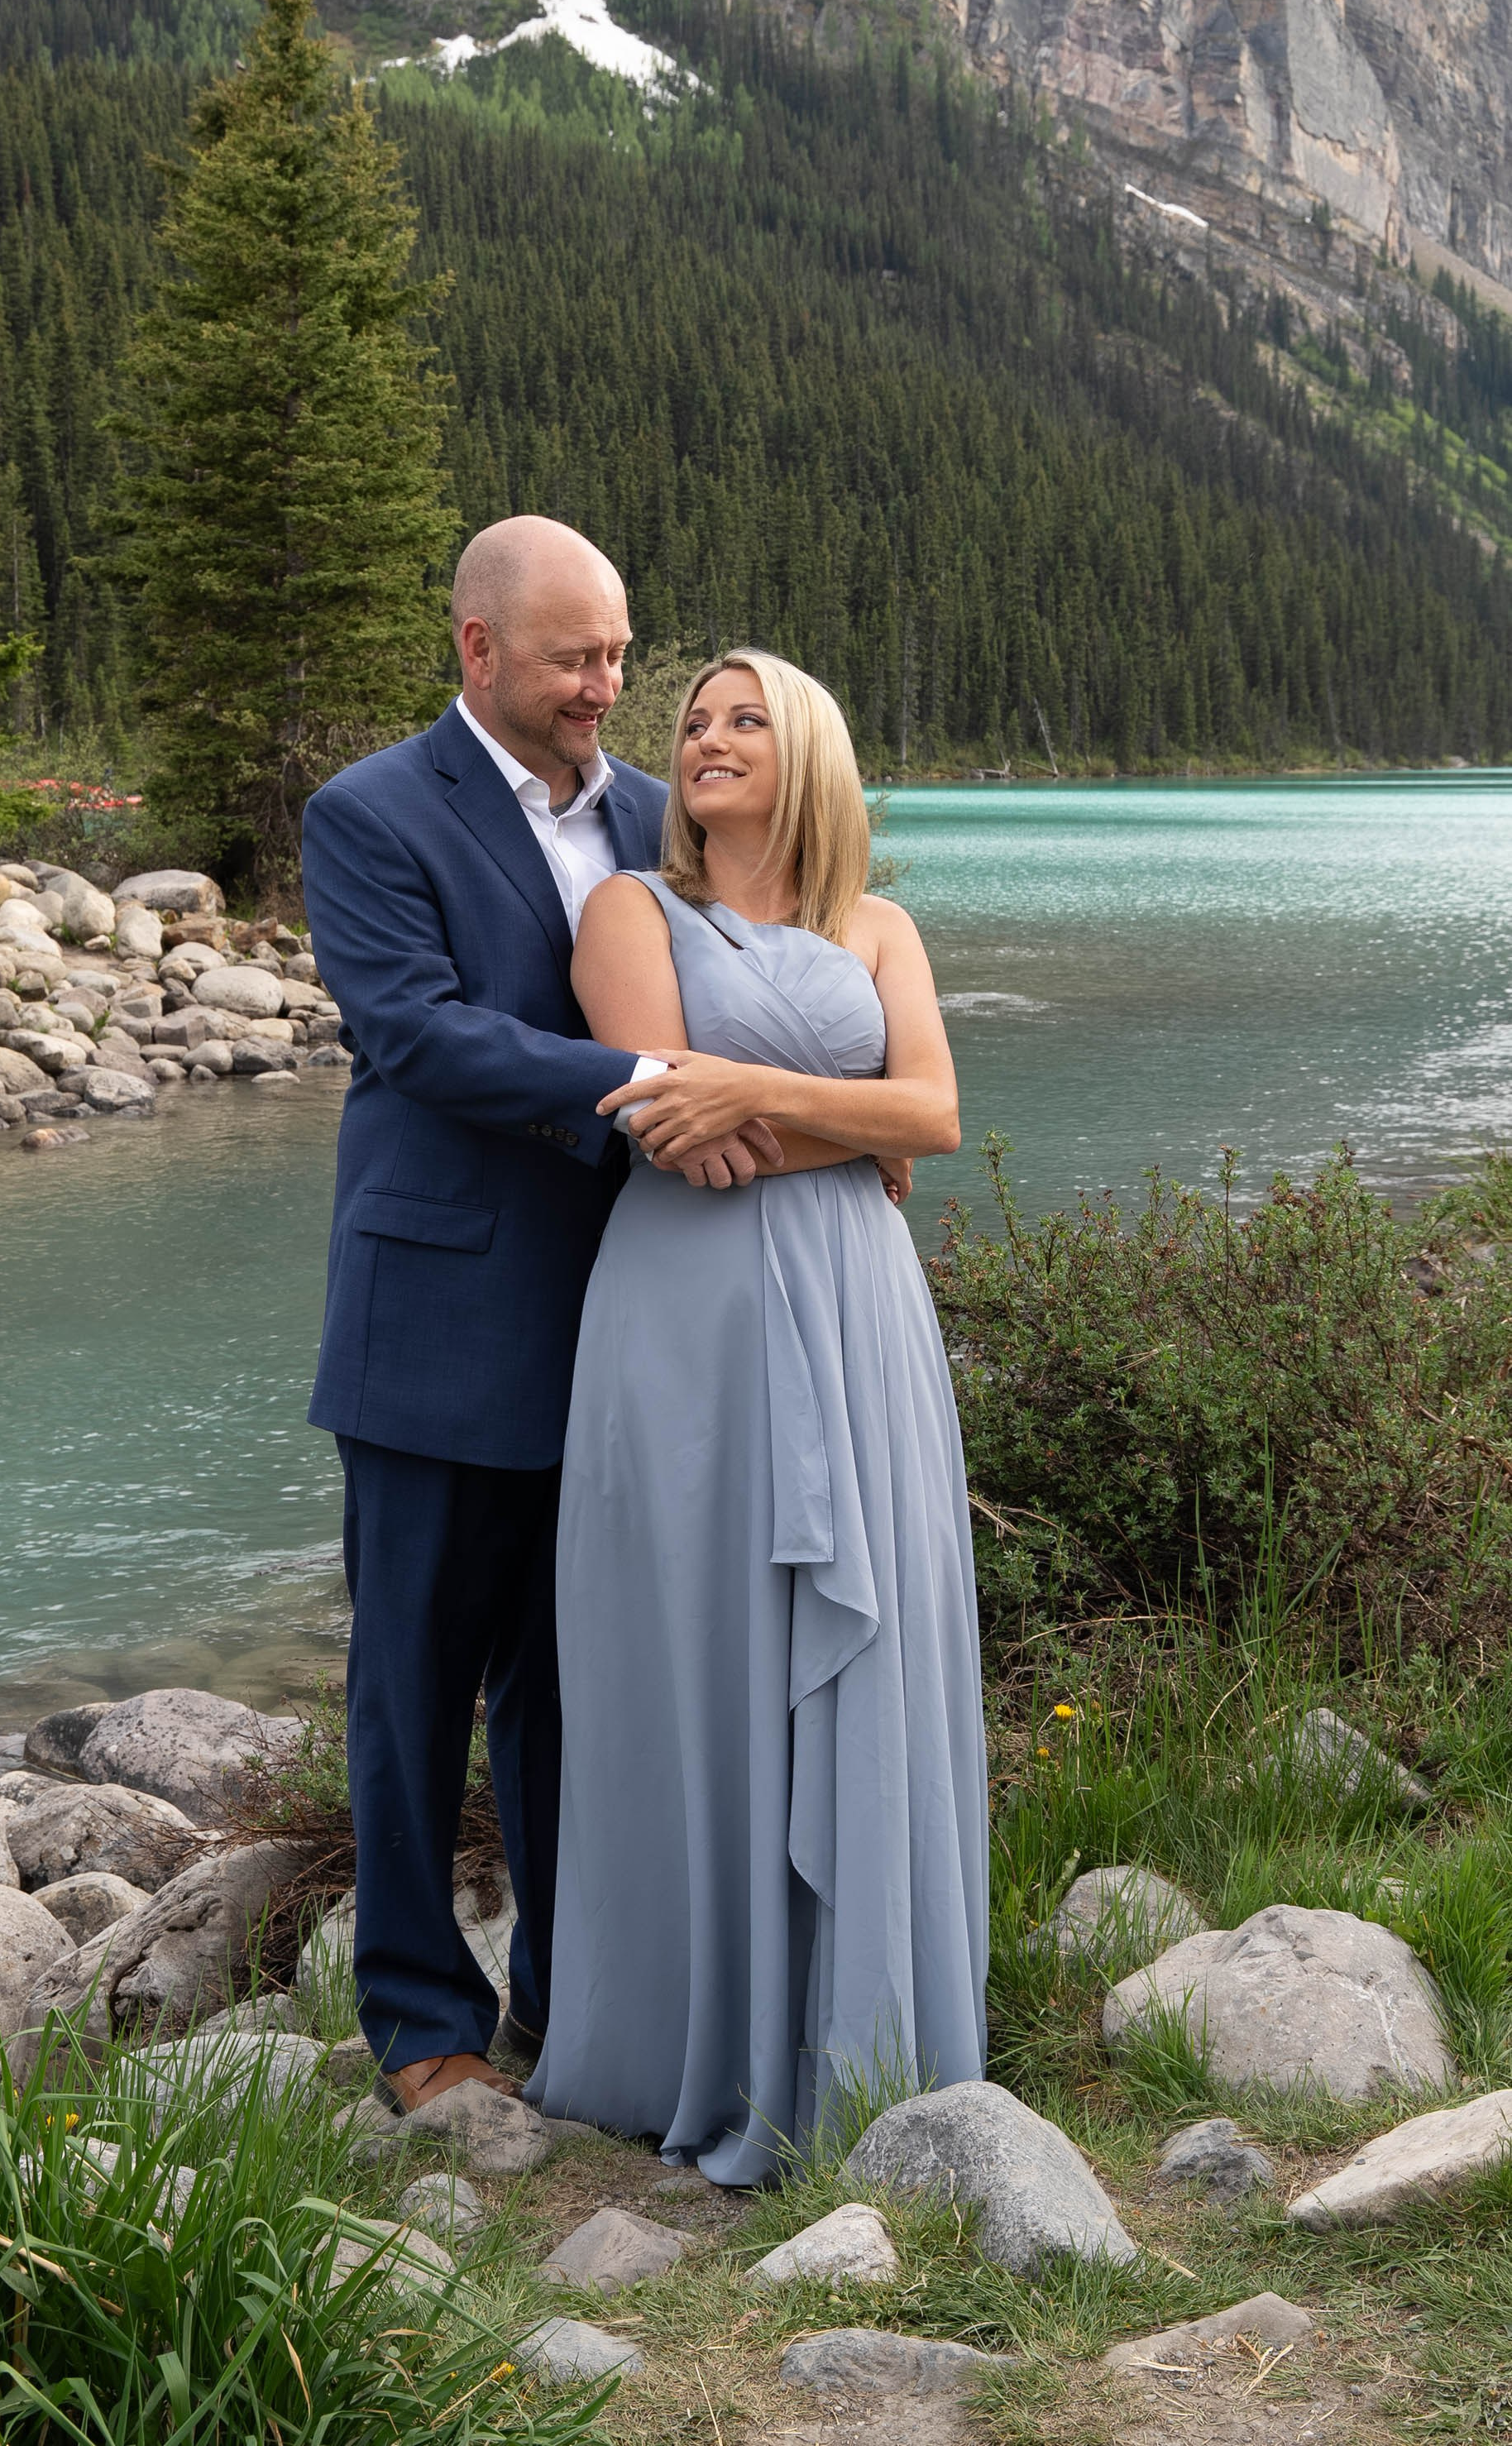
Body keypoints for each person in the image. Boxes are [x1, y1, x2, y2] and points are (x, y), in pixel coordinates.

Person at [300, 518, 778, 2113]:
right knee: (415, 1688)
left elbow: (759, 977)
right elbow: (421, 1038)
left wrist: (833, 1126)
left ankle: (577, 2012)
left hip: (629, 1328)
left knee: (584, 1687)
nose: (608, 685)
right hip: (436, 1327)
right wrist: (657, 1086)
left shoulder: (659, 816)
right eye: (576, 657)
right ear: (477, 651)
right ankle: (422, 2031)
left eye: (620, 653)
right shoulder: (369, 815)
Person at [531, 648, 989, 2183]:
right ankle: (693, 2045)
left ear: (810, 755)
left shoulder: (882, 927)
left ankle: (864, 2044)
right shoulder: (625, 914)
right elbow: (668, 1128)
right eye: (692, 722)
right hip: (690, 1325)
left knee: (876, 1641)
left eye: (744, 720)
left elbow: (934, 1111)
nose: (706, 739)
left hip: (863, 1321)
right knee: (699, 1654)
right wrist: (835, 1131)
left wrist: (768, 1103)